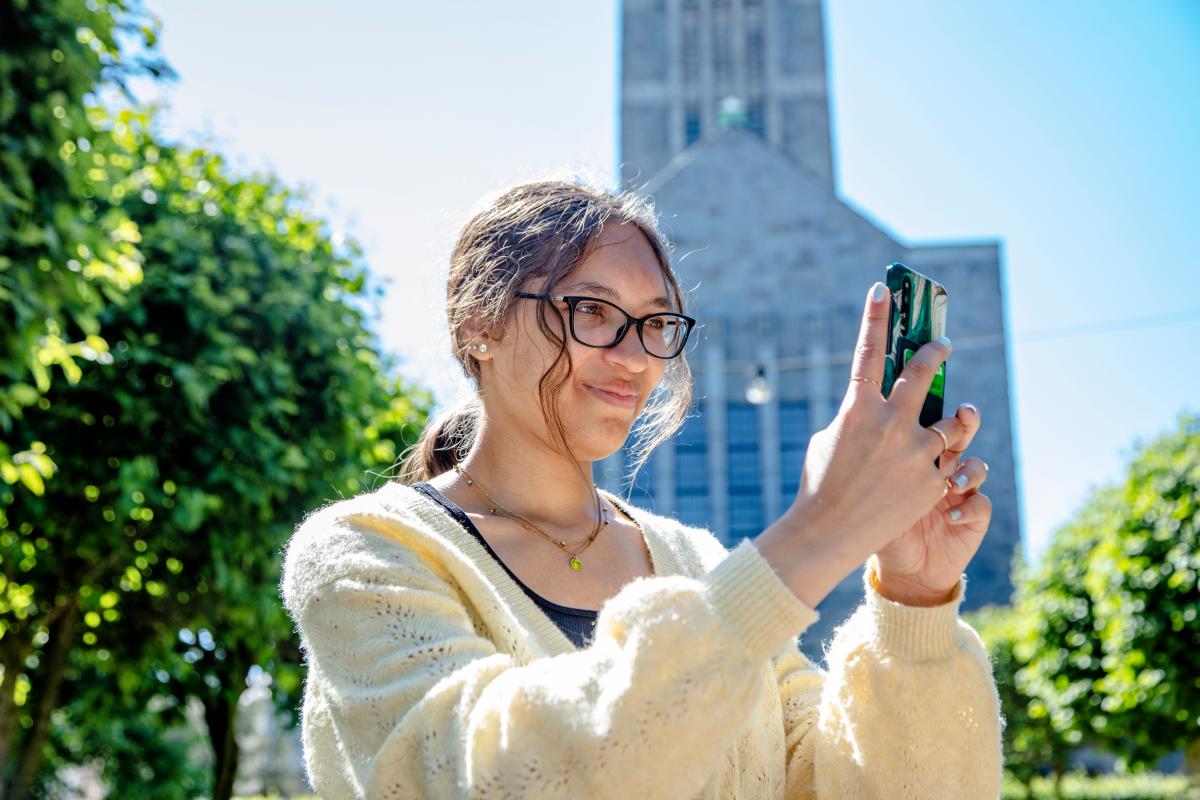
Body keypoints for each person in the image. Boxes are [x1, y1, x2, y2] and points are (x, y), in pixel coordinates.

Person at [280, 178, 1004, 799]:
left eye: (655, 322)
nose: (634, 356)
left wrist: (913, 596)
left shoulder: (700, 561)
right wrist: (820, 531)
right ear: (480, 326)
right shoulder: (366, 552)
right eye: (591, 311)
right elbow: (498, 775)